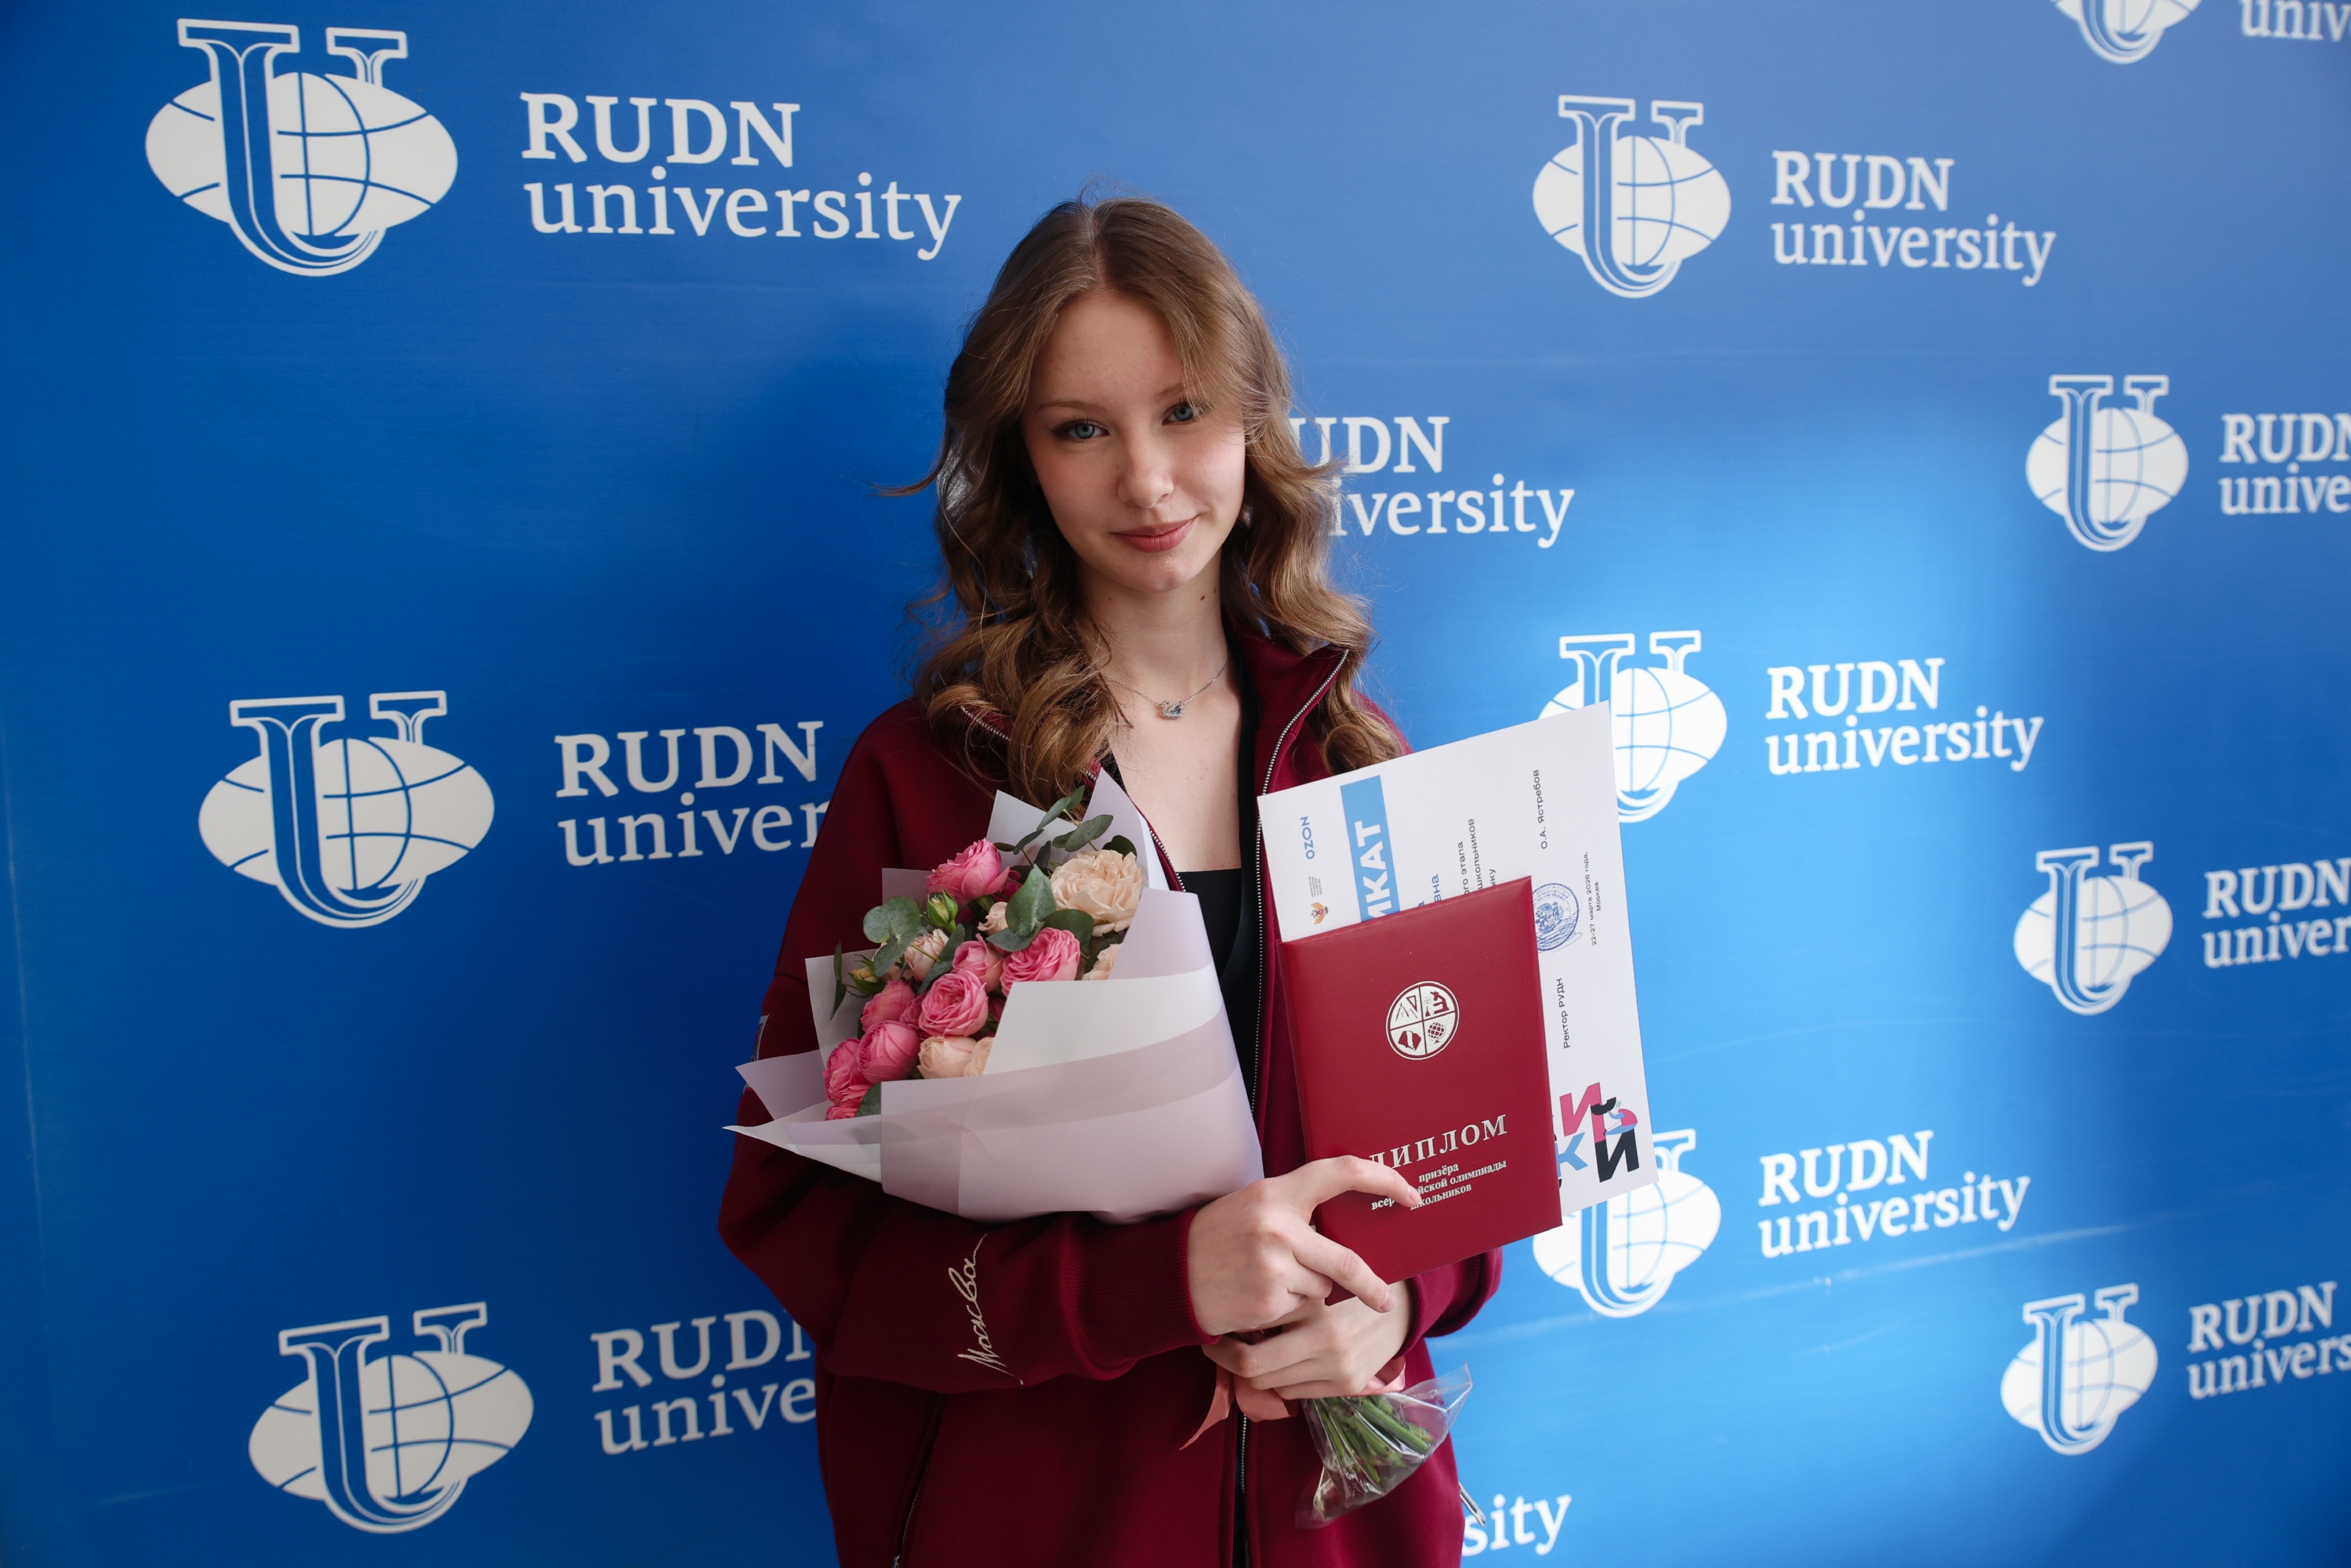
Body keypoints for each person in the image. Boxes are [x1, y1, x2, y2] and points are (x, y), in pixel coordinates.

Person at [720, 195, 1500, 1568]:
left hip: (1342, 1515)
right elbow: (807, 1228)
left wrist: (1398, 1301)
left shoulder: (1358, 756)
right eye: (1081, 428)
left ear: (1253, 426)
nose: (1147, 482)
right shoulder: (927, 778)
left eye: (1185, 412)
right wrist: (1158, 1284)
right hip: (1047, 1512)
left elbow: (1462, 1166)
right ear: (1019, 459)